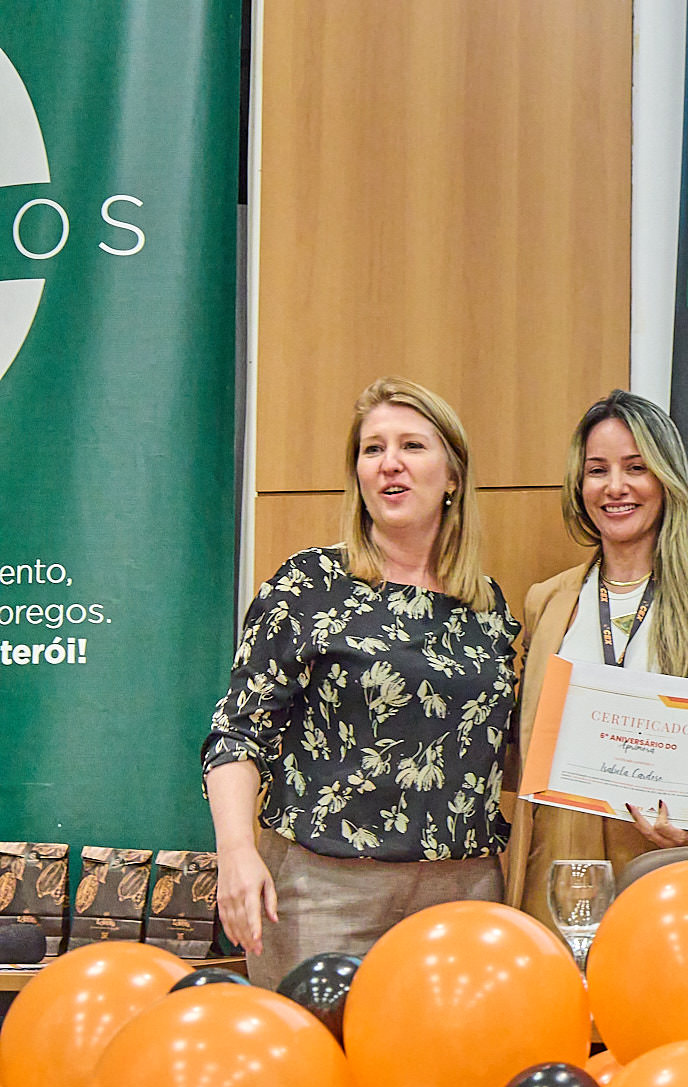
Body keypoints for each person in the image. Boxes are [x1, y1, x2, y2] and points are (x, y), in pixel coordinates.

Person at [202, 377, 520, 989]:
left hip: (463, 895)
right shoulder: (310, 584)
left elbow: (499, 749)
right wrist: (236, 852)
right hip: (323, 893)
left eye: (412, 446)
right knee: (312, 1049)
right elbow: (236, 734)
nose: (389, 463)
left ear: (453, 476)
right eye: (372, 449)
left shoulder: (486, 606)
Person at [503, 390, 688, 924]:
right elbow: (522, 747)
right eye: (597, 470)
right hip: (555, 872)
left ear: (666, 478)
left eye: (636, 467)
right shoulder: (546, 601)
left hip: (667, 873)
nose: (615, 487)